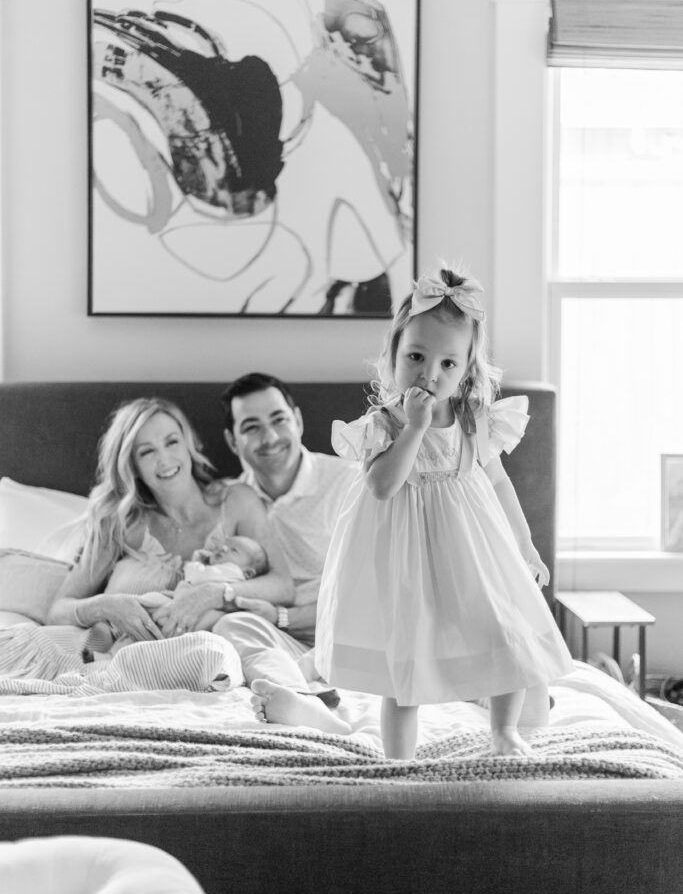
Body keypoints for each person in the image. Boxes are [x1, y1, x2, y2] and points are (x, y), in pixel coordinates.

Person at [308, 266, 573, 758]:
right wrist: (414, 427)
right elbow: (384, 485)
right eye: (416, 356)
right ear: (393, 355)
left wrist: (525, 545)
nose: (431, 373)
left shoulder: (474, 418)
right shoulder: (383, 422)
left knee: (505, 633)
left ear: (467, 368)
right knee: (404, 663)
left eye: (449, 364)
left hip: (470, 546)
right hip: (405, 554)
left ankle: (503, 733)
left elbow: (496, 481)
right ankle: (399, 760)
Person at [47, 397, 294, 647]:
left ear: (189, 445)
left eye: (172, 442)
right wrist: (107, 606)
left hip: (214, 661)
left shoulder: (237, 501)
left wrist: (213, 594)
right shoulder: (119, 522)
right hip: (128, 662)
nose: (164, 460)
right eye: (147, 451)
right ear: (132, 465)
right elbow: (58, 611)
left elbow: (283, 586)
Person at [211, 373, 358, 731]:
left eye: (279, 420)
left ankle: (307, 691)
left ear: (299, 421)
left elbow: (372, 595)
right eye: (252, 427)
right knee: (231, 625)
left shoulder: (348, 483)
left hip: (344, 632)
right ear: (233, 441)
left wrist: (282, 616)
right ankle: (300, 700)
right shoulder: (229, 502)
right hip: (279, 643)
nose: (271, 437)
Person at [140, 536, 269, 634]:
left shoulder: (234, 572)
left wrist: (196, 561)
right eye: (224, 546)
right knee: (154, 598)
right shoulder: (219, 570)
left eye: (234, 550)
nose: (223, 549)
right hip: (184, 603)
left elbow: (196, 576)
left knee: (204, 622)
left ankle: (163, 626)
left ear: (248, 574)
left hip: (206, 612)